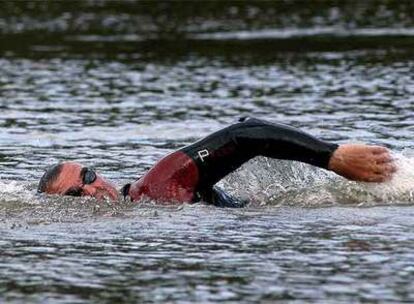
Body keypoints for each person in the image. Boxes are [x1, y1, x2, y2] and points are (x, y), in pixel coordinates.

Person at [37, 117, 396, 207]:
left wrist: (333, 157)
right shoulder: (147, 206)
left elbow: (244, 135)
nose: (91, 189)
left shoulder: (156, 186)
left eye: (87, 175)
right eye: (74, 195)